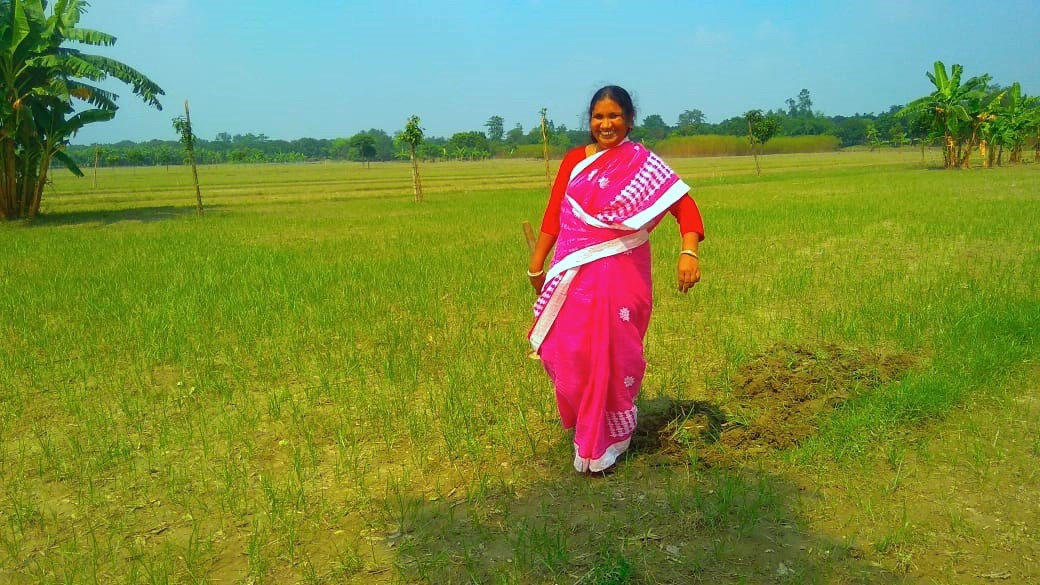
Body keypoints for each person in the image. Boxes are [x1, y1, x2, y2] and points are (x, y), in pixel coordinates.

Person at [527, 85, 705, 474]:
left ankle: (606, 442)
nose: (605, 124)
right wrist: (537, 266)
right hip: (575, 276)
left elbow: (684, 205)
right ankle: (588, 428)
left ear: (628, 119)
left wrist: (688, 251)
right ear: (589, 120)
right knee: (565, 351)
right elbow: (555, 214)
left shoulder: (642, 164)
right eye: (598, 117)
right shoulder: (575, 161)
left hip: (623, 279)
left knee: (610, 354)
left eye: (614, 116)